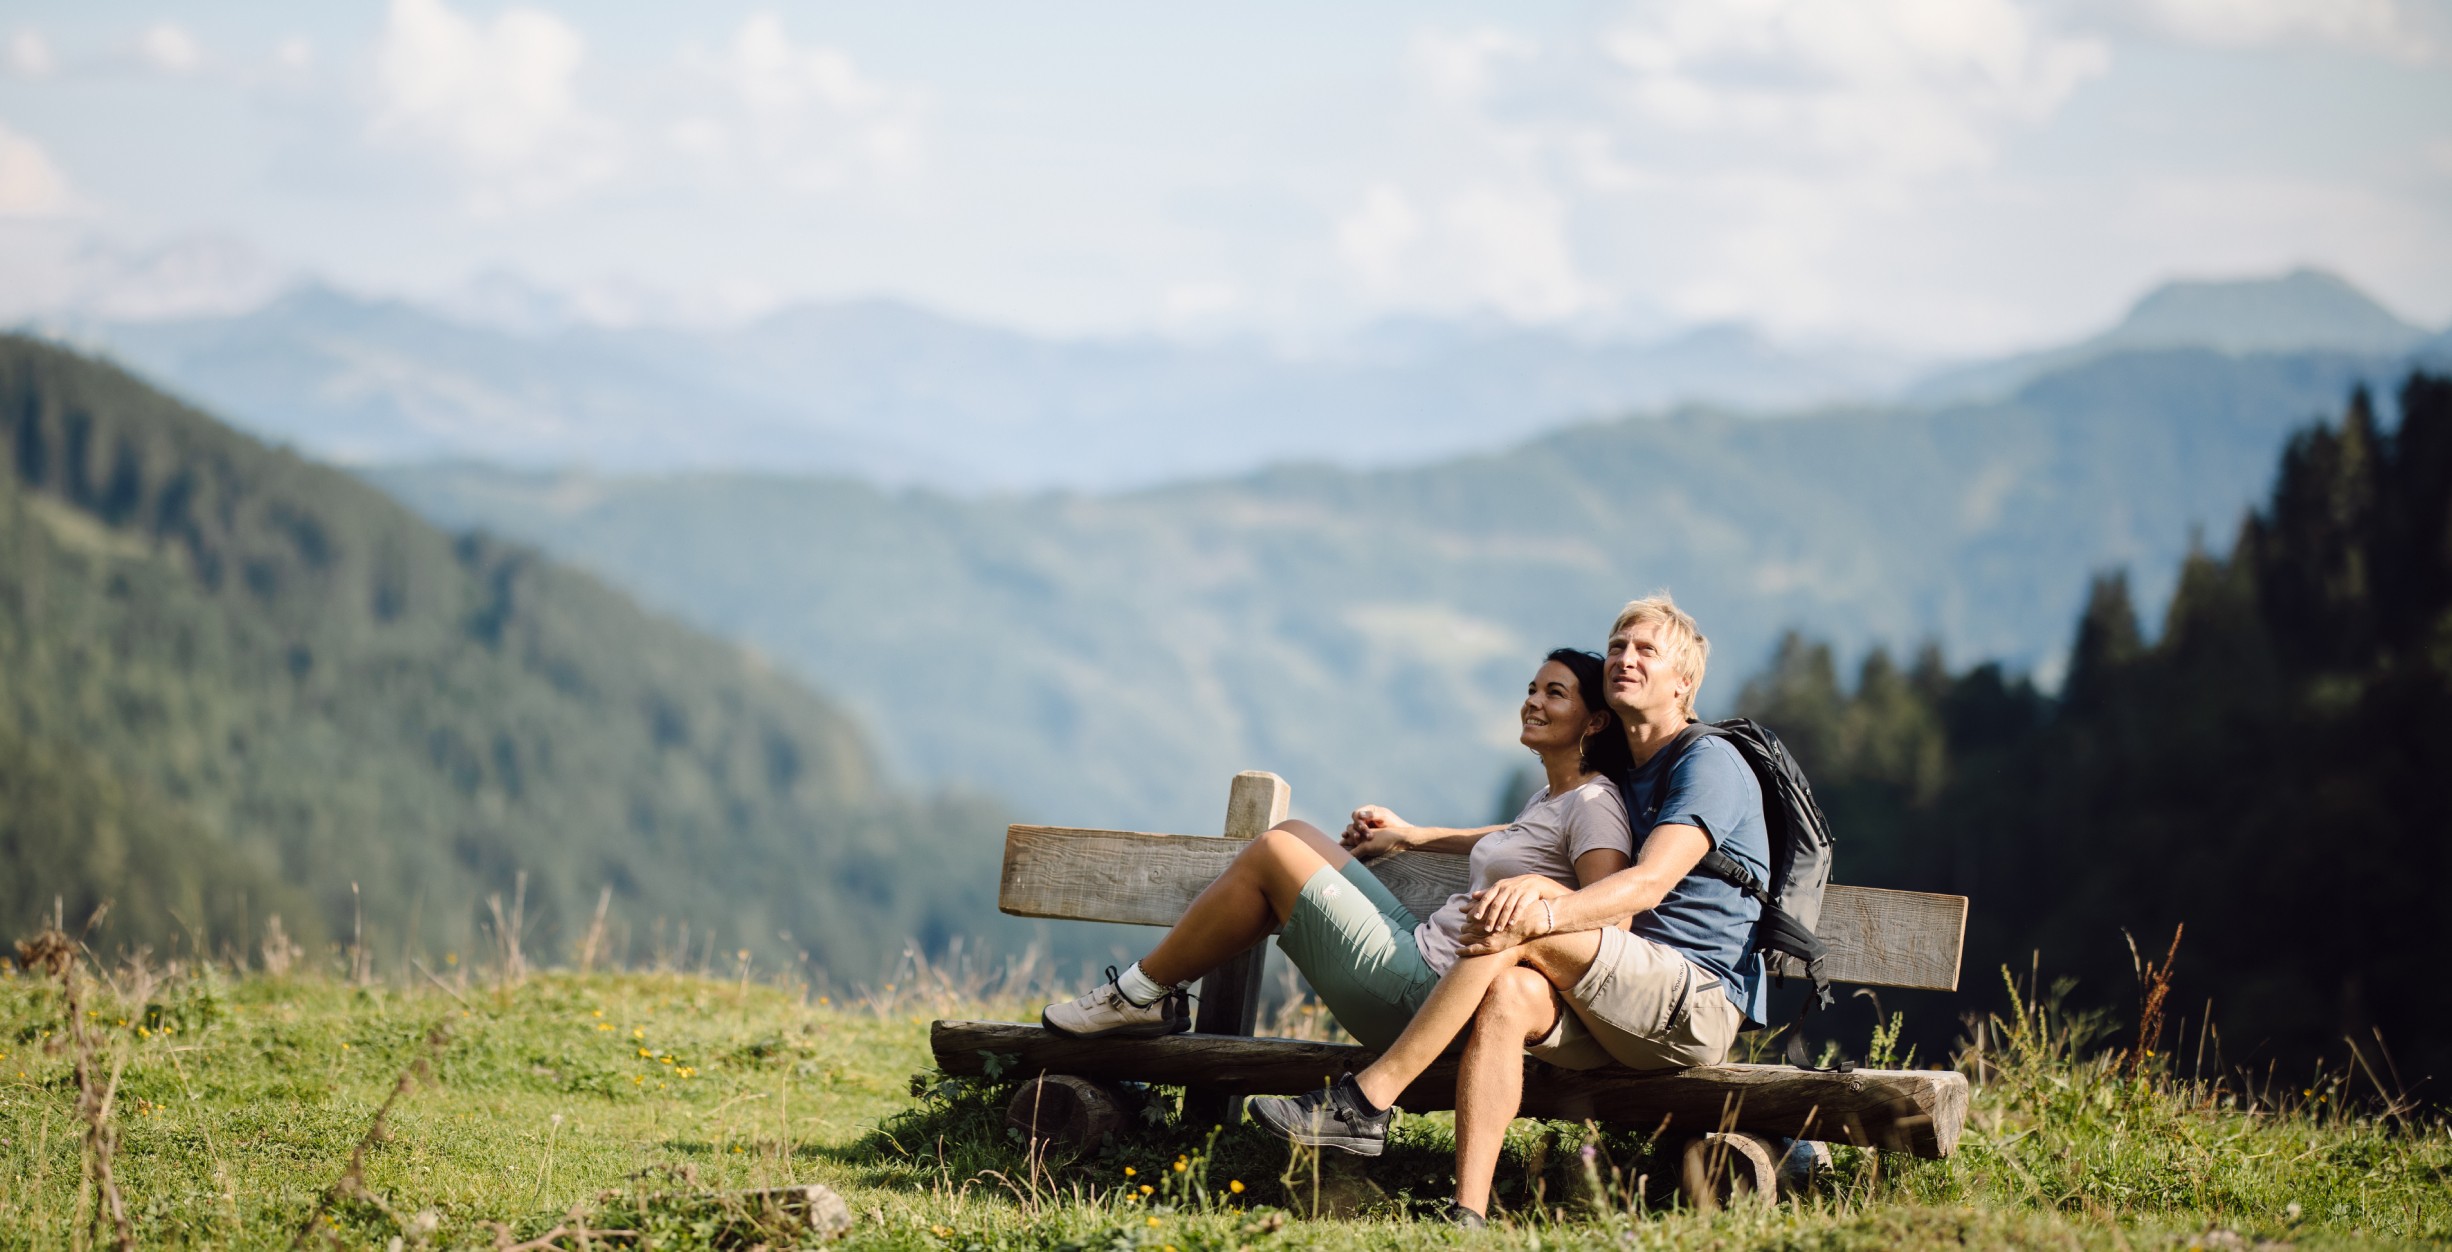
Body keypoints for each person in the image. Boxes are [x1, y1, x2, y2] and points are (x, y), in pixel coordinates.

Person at [1248, 595, 1769, 1226]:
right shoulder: (1630, 770)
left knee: (1514, 927)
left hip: (1694, 997)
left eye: (1645, 651)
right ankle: (1467, 1213)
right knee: (1512, 991)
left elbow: (1649, 884)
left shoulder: (1706, 761)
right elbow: (1532, 832)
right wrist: (1417, 836)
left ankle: (1366, 1103)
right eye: (1616, 647)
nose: (1623, 659)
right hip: (1614, 997)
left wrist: (1546, 907)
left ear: (1684, 683)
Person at [1040, 649, 1636, 1055]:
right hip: (1423, 949)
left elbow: (1604, 912)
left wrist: (1540, 906)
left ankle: (1140, 996)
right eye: (1532, 689)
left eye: (1555, 693)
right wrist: (1414, 835)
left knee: (1275, 851)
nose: (1533, 701)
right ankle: (1155, 996)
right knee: (1298, 833)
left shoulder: (1593, 804)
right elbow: (1514, 837)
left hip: (1427, 992)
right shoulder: (1556, 797)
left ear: (1594, 721)